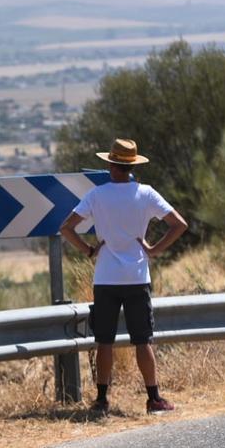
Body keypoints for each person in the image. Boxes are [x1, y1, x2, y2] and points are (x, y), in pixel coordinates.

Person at [59, 138, 188, 415]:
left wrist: (88, 250)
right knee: (143, 340)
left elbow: (67, 228)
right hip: (137, 277)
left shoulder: (97, 195)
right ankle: (154, 398)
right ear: (132, 166)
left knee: (104, 341)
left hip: (105, 277)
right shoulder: (147, 193)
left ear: (109, 164)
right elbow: (179, 224)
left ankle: (102, 399)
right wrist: (154, 250)